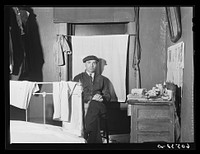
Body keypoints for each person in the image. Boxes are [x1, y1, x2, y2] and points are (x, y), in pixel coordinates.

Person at [73, 55, 111, 143]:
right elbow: (74, 95)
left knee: (94, 104)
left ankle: (86, 132)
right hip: (84, 106)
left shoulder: (103, 79)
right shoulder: (78, 78)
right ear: (85, 65)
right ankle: (93, 138)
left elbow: (108, 96)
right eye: (89, 63)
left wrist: (102, 98)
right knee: (94, 112)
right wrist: (90, 98)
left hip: (100, 106)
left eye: (94, 63)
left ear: (97, 65)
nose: (91, 65)